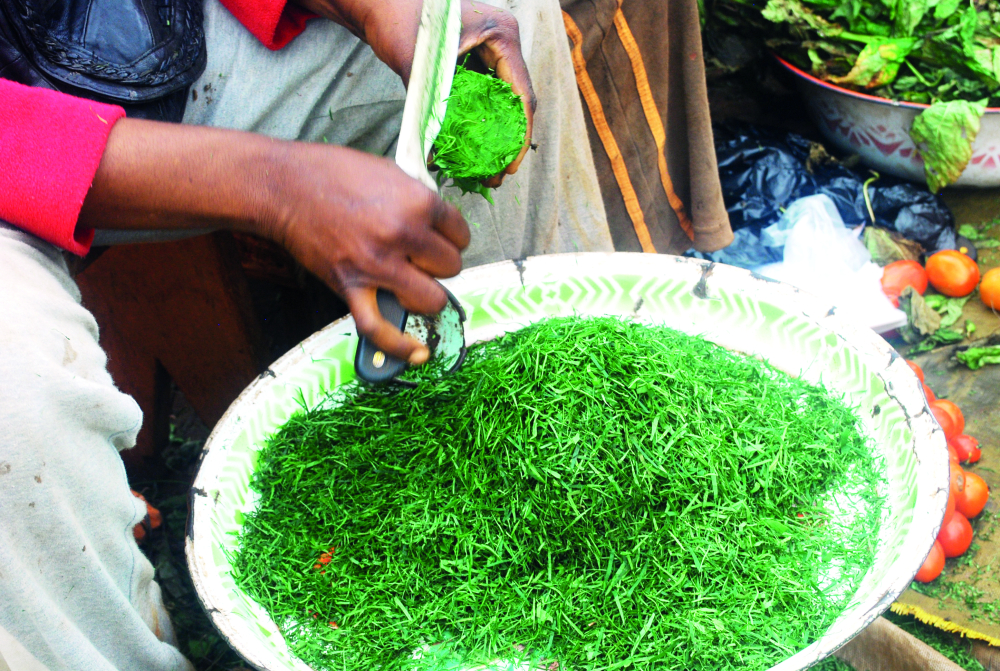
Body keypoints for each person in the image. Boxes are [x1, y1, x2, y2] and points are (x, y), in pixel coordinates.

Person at [0, 1, 618, 669]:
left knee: (484, 17)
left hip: (113, 22)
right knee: (16, 401)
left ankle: (548, 442)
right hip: (21, 141)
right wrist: (272, 184)